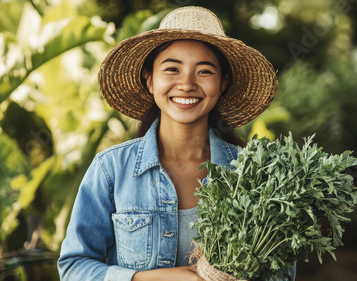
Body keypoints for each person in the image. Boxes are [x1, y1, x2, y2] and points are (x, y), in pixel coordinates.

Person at [58, 6, 295, 281]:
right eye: (172, 69)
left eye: (204, 71)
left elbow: (281, 274)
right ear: (149, 79)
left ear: (223, 83)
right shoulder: (111, 170)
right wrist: (155, 278)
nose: (186, 84)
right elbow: (74, 267)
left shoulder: (253, 175)